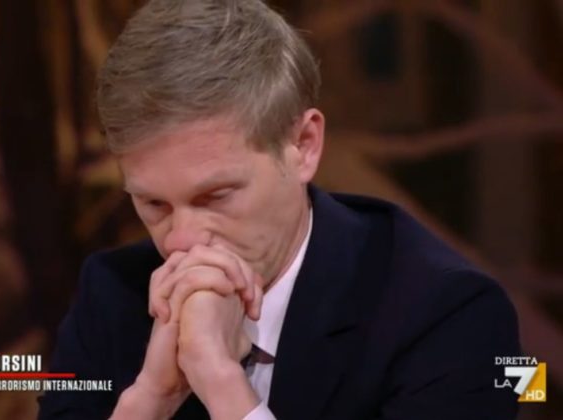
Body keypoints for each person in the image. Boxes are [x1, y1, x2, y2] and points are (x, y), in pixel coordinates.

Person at [38, 0, 521, 419]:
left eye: (215, 196)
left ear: (303, 146)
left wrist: (220, 379)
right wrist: (149, 399)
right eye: (153, 204)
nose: (181, 241)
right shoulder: (111, 295)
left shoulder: (450, 314)